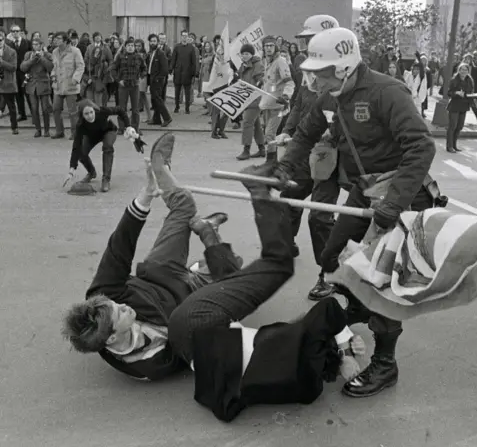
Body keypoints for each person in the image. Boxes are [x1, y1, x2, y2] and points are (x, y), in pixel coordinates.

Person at [274, 27, 438, 398]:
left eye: (322, 71)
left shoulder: (386, 91)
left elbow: (421, 148)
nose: (313, 80)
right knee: (333, 256)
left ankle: (385, 363)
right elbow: (304, 134)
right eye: (312, 71)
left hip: (401, 194)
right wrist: (284, 169)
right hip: (364, 191)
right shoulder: (329, 96)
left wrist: (393, 205)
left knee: (384, 279)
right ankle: (358, 309)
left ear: (346, 67)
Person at [62, 134, 241, 381]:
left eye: (117, 304)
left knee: (185, 204)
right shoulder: (152, 363)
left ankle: (161, 171)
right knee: (234, 270)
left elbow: (120, 246)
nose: (123, 305)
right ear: (112, 338)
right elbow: (200, 351)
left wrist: (145, 197)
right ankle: (207, 233)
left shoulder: (103, 296)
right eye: (121, 312)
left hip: (161, 272)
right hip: (195, 300)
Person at [191, 297, 366, 423]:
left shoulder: (301, 352)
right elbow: (321, 315)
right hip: (235, 366)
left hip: (230, 373)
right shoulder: (309, 386)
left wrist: (346, 352)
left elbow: (325, 310)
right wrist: (346, 349)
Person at [276, 14, 342, 300]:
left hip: (328, 158)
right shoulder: (307, 70)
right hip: (304, 148)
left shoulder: (341, 74)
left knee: (320, 217)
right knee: (288, 199)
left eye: (309, 39)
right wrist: (286, 131)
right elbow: (298, 107)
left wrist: (331, 135)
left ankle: (327, 275)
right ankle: (284, 247)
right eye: (304, 40)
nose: (303, 44)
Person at [65, 99, 132, 193]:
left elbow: (120, 110)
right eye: (86, 114)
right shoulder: (80, 125)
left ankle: (106, 179)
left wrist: (128, 126)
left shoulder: (102, 111)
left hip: (108, 131)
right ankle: (91, 172)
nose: (90, 116)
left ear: (94, 110)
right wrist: (71, 169)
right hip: (92, 136)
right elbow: (76, 146)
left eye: (91, 112)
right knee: (81, 153)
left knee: (107, 146)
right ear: (82, 115)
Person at [261, 35, 295, 161]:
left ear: (275, 47)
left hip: (279, 105)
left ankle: (271, 162)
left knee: (269, 135)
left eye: (271, 45)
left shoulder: (280, 61)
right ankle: (271, 160)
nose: (269, 48)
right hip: (267, 103)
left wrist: (286, 96)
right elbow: (271, 83)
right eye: (266, 46)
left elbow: (290, 82)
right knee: (269, 135)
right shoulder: (266, 61)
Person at [51, 31, 85, 140]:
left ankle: (75, 133)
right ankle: (59, 131)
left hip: (71, 85)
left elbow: (81, 66)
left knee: (73, 112)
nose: (55, 40)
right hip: (58, 86)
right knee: (56, 109)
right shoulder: (55, 51)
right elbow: (54, 67)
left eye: (58, 38)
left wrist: (75, 79)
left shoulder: (75, 51)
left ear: (65, 41)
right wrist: (52, 75)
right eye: (55, 38)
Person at [236, 43, 266, 160]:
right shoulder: (243, 65)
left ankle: (246, 150)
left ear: (252, 54)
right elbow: (240, 79)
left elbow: (261, 79)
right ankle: (262, 148)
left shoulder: (257, 65)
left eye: (247, 54)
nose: (244, 56)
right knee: (256, 124)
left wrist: (259, 83)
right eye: (243, 54)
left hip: (255, 98)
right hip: (247, 99)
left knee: (247, 123)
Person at [110, 37, 145, 134]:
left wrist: (141, 77)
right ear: (125, 47)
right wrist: (118, 80)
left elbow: (144, 68)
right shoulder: (120, 57)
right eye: (128, 45)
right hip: (123, 86)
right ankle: (122, 128)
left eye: (132, 46)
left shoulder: (139, 57)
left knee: (135, 109)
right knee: (122, 108)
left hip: (135, 86)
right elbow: (113, 69)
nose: (130, 47)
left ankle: (135, 128)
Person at [20, 38, 54, 137]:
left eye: (37, 44)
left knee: (45, 109)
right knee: (34, 109)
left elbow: (51, 67)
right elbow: (22, 68)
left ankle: (46, 130)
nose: (35, 46)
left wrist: (42, 58)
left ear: (41, 45)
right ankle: (38, 129)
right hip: (31, 85)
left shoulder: (47, 54)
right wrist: (32, 60)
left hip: (43, 84)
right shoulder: (28, 54)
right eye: (33, 44)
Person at [446, 63, 474, 153]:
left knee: (459, 126)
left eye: (465, 70)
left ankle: (454, 145)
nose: (463, 71)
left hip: (464, 105)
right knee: (452, 126)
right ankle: (449, 146)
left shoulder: (469, 80)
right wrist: (456, 93)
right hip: (454, 105)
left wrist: (473, 96)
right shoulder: (454, 80)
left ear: (468, 71)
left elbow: (470, 92)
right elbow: (449, 93)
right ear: (459, 70)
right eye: (462, 69)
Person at [146, 34, 172, 127]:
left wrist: (158, 78)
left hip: (158, 81)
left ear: (157, 42)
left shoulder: (160, 53)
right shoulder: (151, 53)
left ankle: (167, 118)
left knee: (158, 99)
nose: (152, 43)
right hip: (152, 79)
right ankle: (156, 119)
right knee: (155, 100)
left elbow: (165, 69)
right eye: (151, 41)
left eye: (154, 41)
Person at [0, 30, 20, 135]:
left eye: (0, 40)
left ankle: (14, 127)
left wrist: (2, 62)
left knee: (11, 107)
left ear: (4, 40)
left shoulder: (12, 52)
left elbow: (13, 67)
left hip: (8, 83)